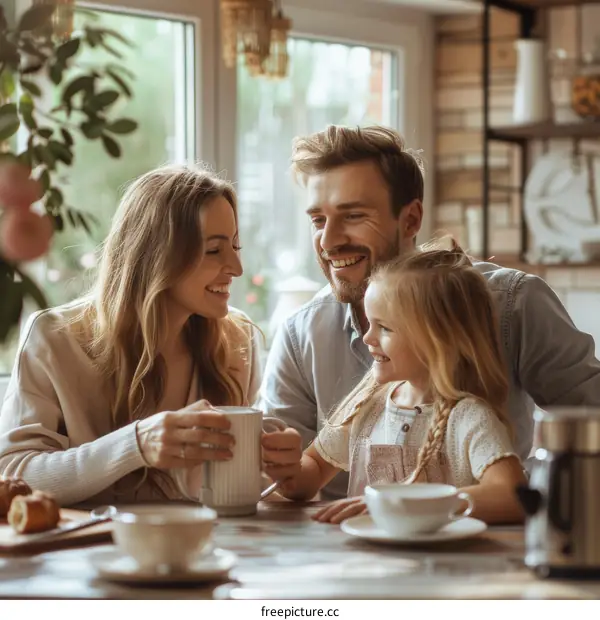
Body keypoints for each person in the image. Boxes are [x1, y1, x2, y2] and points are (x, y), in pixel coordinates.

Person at [259, 125, 600, 501]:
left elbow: (590, 432)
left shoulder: (514, 304)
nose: (328, 241)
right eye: (318, 220)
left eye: (353, 215)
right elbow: (283, 483)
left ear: (410, 219)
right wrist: (272, 458)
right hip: (350, 553)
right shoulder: (301, 333)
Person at [0, 163, 301, 506]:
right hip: (85, 555)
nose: (236, 268)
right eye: (215, 250)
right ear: (158, 255)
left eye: (235, 246)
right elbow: (15, 475)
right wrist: (136, 444)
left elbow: (226, 488)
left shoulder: (235, 338)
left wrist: (275, 464)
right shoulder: (55, 339)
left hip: (202, 548)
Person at [275, 243, 526, 525]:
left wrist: (404, 506)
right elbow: (313, 471)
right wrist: (279, 465)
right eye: (369, 324)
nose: (368, 338)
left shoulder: (468, 417)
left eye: (384, 327)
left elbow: (513, 495)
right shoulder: (369, 401)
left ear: (438, 339)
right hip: (365, 562)